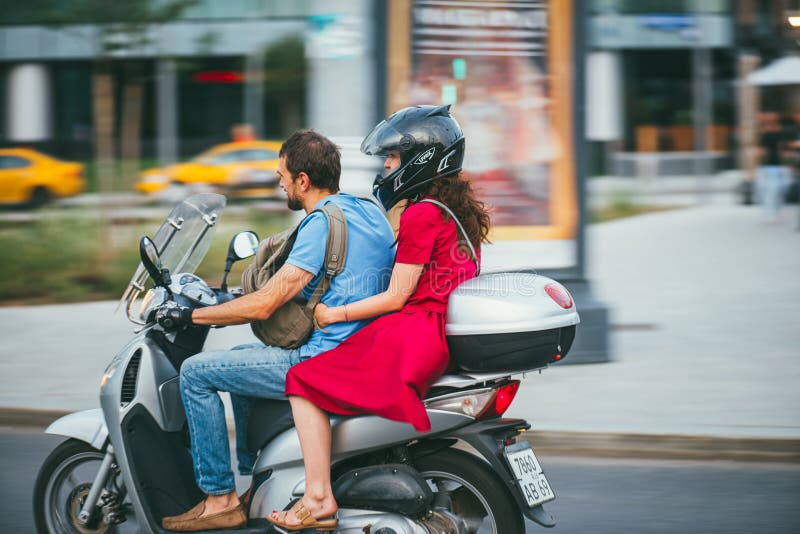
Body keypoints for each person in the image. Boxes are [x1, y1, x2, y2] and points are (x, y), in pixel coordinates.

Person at [158, 130, 396, 532]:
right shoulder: (368, 211)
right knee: (235, 363)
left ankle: (219, 497)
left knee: (197, 372)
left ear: (303, 180)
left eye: (282, 175)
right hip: (363, 349)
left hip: (320, 357)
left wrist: (191, 317)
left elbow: (269, 301)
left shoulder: (321, 223)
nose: (280, 182)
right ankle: (258, 479)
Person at [267, 105, 491, 532]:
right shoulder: (458, 211)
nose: (386, 167)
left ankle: (317, 496)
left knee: (302, 381)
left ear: (419, 160)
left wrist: (335, 313)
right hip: (434, 332)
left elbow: (396, 295)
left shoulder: (423, 213)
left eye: (391, 158)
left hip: (411, 332)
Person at [756, 111, 793, 221]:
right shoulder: (763, 132)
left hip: (780, 165)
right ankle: (770, 212)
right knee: (769, 190)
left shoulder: (783, 131)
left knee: (781, 189)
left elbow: (787, 147)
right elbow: (760, 149)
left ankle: (777, 211)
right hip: (768, 166)